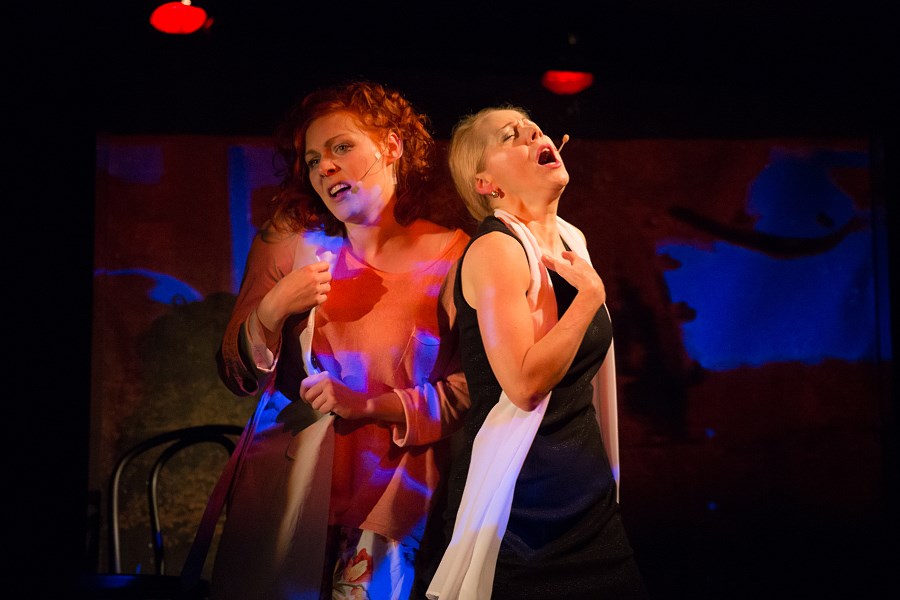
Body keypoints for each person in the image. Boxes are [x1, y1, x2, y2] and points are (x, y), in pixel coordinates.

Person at [210, 80, 471, 600]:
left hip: (392, 501)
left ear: (392, 146)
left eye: (341, 147)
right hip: (293, 489)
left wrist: (371, 405)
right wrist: (272, 308)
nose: (324, 167)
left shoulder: (456, 256)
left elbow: (472, 393)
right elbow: (236, 374)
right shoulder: (291, 245)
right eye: (312, 160)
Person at [421, 107, 648, 599]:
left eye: (535, 129)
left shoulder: (572, 240)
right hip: (521, 515)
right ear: (486, 183)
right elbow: (524, 385)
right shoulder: (495, 250)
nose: (533, 134)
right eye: (511, 136)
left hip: (588, 504)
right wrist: (588, 299)